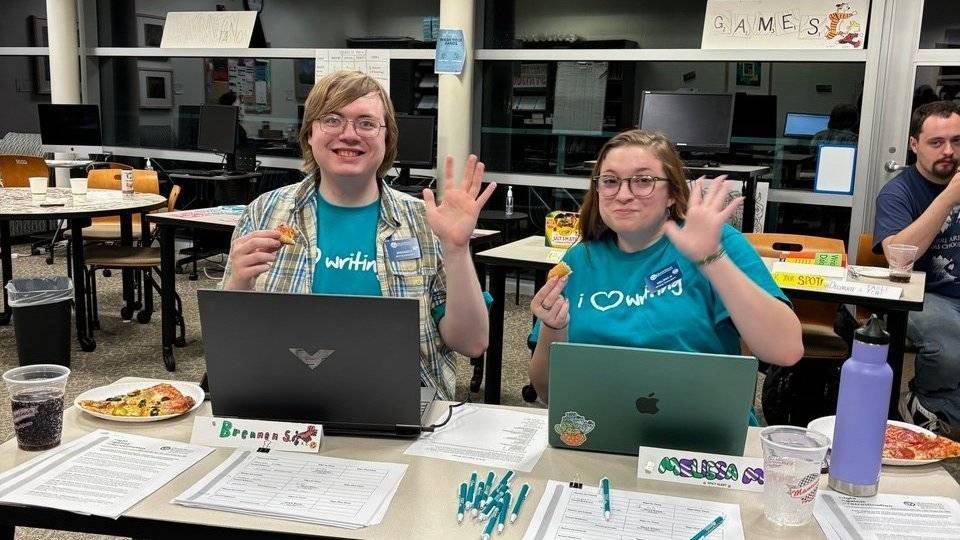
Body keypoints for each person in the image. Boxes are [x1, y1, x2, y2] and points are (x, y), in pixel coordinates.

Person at [220, 70, 496, 400]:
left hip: (402, 410)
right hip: (287, 402)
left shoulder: (424, 222)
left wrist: (456, 248)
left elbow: (472, 343)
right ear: (310, 133)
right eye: (333, 120)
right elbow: (231, 340)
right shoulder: (265, 212)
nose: (350, 134)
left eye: (366, 123)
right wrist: (239, 283)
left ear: (386, 139)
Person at [527, 129, 803, 401]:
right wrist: (553, 328)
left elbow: (786, 350)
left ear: (672, 192)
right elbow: (548, 393)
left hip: (701, 434)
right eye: (610, 181)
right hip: (599, 432)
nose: (623, 194)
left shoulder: (716, 243)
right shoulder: (579, 261)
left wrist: (711, 260)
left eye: (643, 180)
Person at [873, 100, 960, 435]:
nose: (949, 151)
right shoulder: (898, 192)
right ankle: (927, 403)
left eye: (957, 141)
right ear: (914, 145)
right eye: (936, 143)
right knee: (950, 344)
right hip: (918, 292)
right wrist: (947, 199)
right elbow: (898, 257)